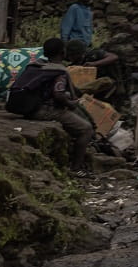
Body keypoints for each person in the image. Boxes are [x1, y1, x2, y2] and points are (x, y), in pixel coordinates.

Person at [8, 39, 97, 173]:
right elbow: (58, 94)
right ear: (63, 52)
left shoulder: (35, 66)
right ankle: (76, 169)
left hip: (27, 107)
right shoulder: (60, 71)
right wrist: (70, 103)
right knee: (86, 129)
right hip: (44, 111)